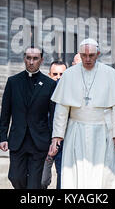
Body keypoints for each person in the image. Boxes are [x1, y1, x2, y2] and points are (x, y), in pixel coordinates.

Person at [48, 38, 115, 189]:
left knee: (103, 174)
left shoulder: (111, 74)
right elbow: (62, 108)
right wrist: (57, 135)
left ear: (98, 54)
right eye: (84, 55)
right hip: (76, 130)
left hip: (103, 131)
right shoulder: (69, 74)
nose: (88, 59)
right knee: (75, 172)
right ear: (79, 54)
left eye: (91, 55)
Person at [0, 46, 57, 189]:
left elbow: (54, 115)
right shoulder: (13, 82)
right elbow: (5, 112)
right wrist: (2, 137)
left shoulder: (50, 84)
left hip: (39, 141)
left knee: (34, 184)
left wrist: (53, 140)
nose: (31, 62)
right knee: (15, 177)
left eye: (35, 58)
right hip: (18, 140)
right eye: (28, 58)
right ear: (24, 58)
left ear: (41, 60)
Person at [41, 61, 67, 189]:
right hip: (45, 142)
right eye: (55, 74)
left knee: (63, 179)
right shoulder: (43, 93)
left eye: (62, 74)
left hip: (65, 141)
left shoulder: (70, 94)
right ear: (49, 75)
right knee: (42, 180)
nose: (58, 77)